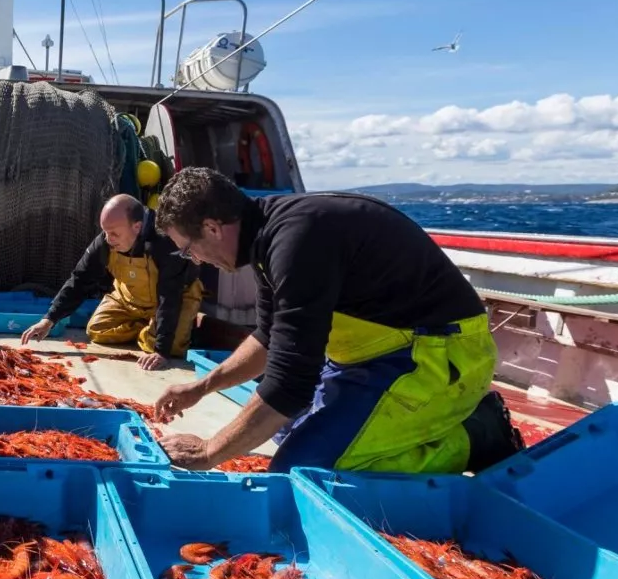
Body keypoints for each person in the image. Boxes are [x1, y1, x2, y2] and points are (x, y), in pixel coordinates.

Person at [150, 168, 522, 474]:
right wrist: (201, 388)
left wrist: (209, 452)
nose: (194, 260)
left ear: (213, 228)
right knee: (284, 432)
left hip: (435, 353)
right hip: (371, 355)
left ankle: (477, 435)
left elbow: (290, 383)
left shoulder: (296, 241)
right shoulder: (266, 237)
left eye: (188, 248)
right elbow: (268, 337)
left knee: (306, 468)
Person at [21, 193, 202, 370]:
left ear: (137, 227)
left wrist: (161, 351)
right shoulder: (104, 242)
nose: (108, 239)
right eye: (105, 232)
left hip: (175, 297)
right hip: (129, 299)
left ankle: (154, 332)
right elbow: (79, 279)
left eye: (114, 233)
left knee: (171, 347)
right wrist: (49, 319)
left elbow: (169, 296)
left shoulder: (165, 241)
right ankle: (146, 328)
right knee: (97, 331)